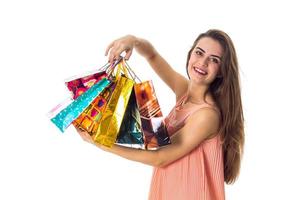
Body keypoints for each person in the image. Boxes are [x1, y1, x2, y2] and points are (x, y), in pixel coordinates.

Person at [76, 29, 244, 200]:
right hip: (169, 191)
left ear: (222, 70)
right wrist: (133, 40)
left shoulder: (207, 115)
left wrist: (100, 143)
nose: (202, 62)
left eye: (214, 60)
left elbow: (160, 158)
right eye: (199, 53)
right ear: (190, 54)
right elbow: (152, 55)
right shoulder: (184, 92)